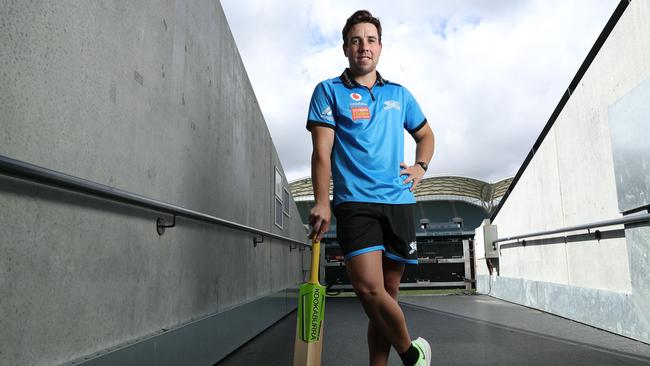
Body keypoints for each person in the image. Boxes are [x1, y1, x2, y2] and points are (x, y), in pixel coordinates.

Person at [306, 9, 435, 366]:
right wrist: (322, 202)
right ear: (346, 47)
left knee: (388, 294)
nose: (364, 46)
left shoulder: (399, 94)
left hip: (398, 203)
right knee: (368, 289)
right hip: (354, 203)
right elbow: (321, 153)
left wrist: (420, 167)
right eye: (356, 40)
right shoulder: (328, 92)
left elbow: (425, 135)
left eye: (371, 40)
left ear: (380, 46)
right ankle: (413, 354)